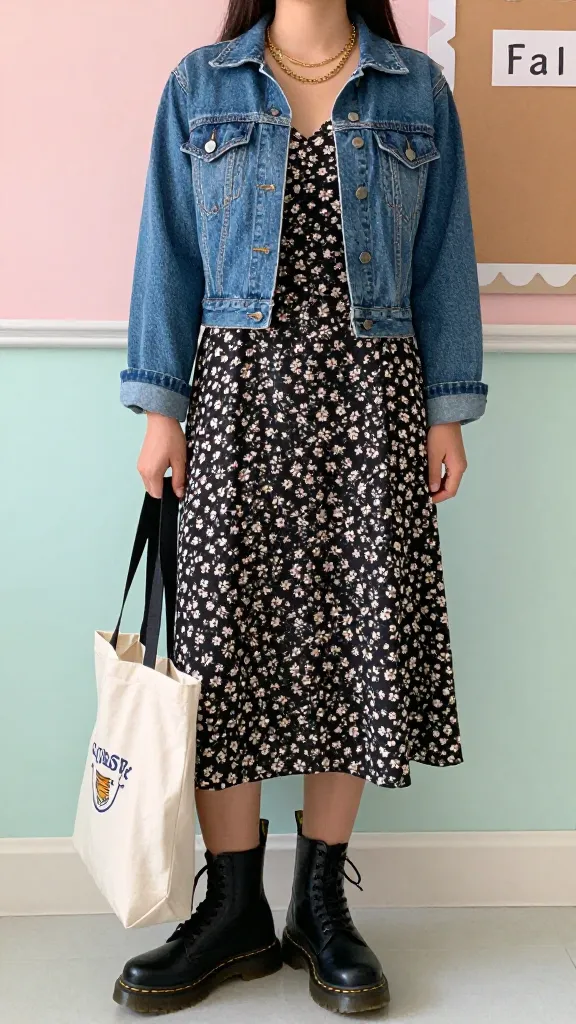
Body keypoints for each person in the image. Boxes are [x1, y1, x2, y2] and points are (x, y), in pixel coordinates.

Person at [113, 0, 487, 1015]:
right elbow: (169, 247)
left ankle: (319, 902)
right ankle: (233, 906)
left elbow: (445, 253)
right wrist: (161, 406)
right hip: (236, 400)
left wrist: (447, 411)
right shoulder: (203, 83)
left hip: (375, 399)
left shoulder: (416, 88)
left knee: (353, 633)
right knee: (223, 642)